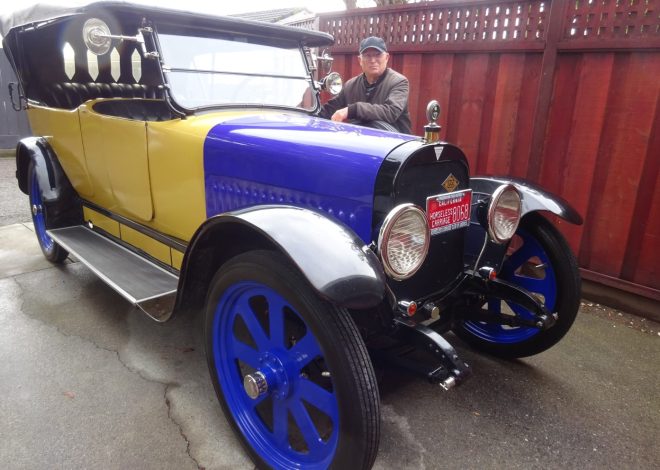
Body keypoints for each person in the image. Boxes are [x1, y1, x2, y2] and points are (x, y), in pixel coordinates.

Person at [319, 36, 412, 134]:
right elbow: (328, 110)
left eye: (378, 55)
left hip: (395, 143)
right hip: (363, 142)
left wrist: (352, 110)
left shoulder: (399, 82)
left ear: (387, 58)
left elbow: (391, 111)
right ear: (360, 60)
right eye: (367, 55)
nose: (373, 60)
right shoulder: (350, 85)